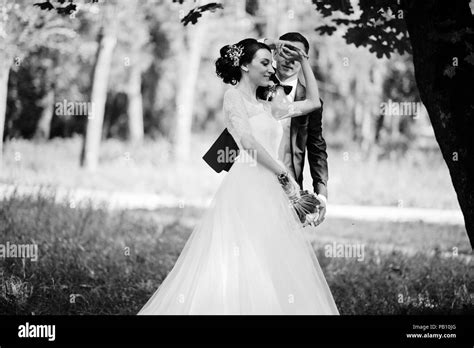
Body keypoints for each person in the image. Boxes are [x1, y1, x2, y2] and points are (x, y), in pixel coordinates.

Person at [138, 38, 339, 315]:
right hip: (247, 184)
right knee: (244, 254)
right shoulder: (233, 96)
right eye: (265, 63)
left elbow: (313, 102)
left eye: (272, 63)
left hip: (271, 187)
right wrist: (284, 174)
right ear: (245, 65)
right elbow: (247, 142)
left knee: (272, 255)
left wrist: (304, 60)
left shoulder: (271, 102)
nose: (273, 69)